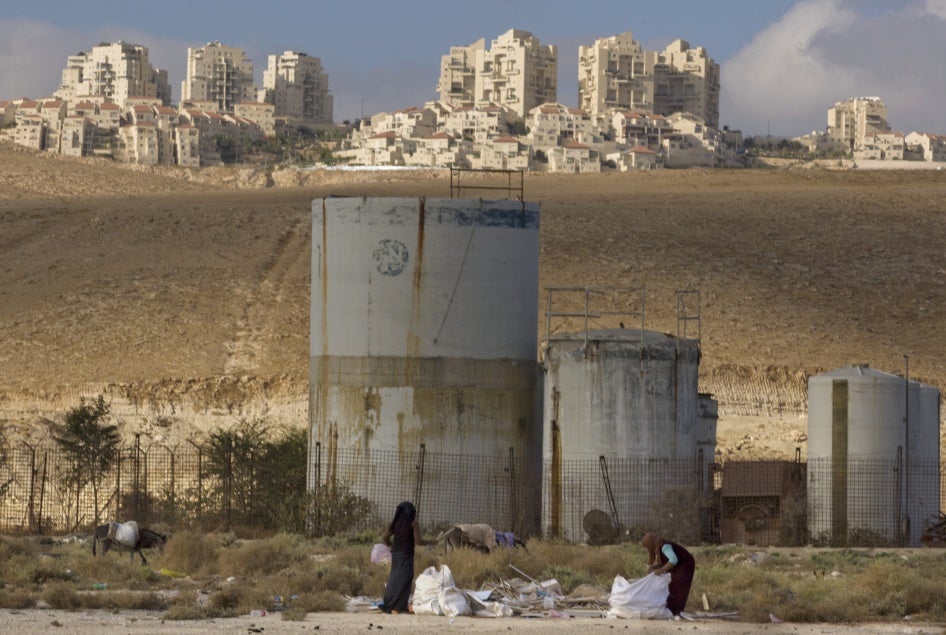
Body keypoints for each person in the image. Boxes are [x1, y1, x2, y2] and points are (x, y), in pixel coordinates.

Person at [378, 501, 430, 614]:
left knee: (395, 578)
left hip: (396, 554)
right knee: (406, 578)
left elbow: (385, 538)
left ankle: (392, 604)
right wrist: (432, 542)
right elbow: (419, 541)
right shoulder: (413, 524)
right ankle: (398, 606)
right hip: (406, 555)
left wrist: (391, 545)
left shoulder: (396, 523)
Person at [641, 533, 695, 617]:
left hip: (685, 564)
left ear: (651, 544)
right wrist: (653, 568)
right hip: (679, 564)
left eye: (648, 547)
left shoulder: (664, 547)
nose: (649, 550)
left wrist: (662, 570)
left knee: (679, 584)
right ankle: (672, 609)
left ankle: (676, 611)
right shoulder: (657, 547)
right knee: (671, 585)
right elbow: (664, 562)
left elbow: (673, 559)